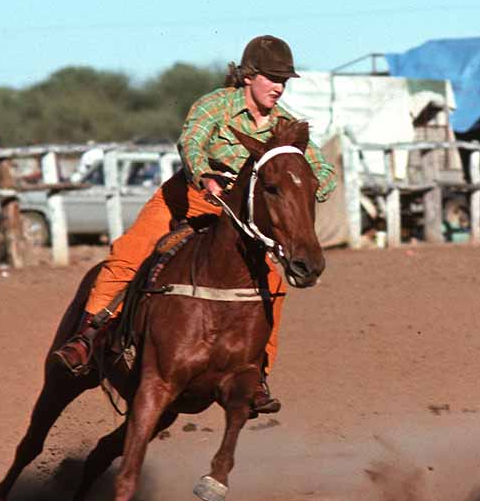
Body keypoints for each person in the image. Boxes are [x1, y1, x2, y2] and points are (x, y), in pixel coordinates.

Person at [52, 35, 337, 414]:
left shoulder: (285, 128)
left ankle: (257, 375)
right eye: (272, 77)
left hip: (240, 219)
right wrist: (204, 173)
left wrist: (310, 186)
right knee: (129, 254)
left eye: (284, 80)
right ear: (249, 76)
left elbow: (321, 169)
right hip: (187, 199)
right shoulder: (214, 106)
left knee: (273, 283)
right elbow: (191, 141)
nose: (279, 87)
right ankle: (87, 337)